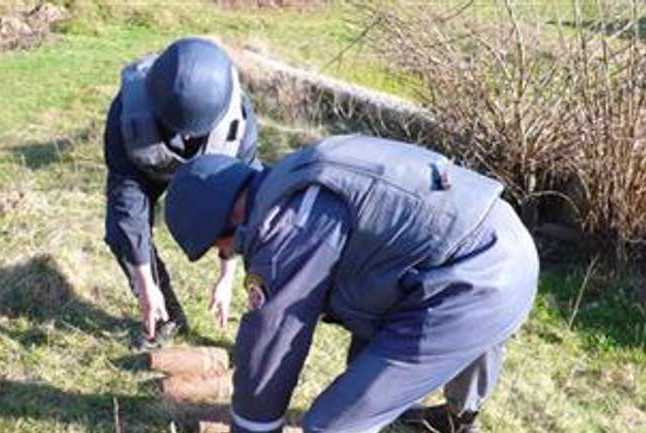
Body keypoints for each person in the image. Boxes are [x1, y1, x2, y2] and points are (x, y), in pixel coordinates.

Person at [164, 135, 539, 433]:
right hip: (504, 242)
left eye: (218, 246)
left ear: (228, 217)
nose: (223, 255)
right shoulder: (299, 175)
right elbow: (378, 260)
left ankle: (456, 420)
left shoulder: (289, 222)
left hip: (474, 279)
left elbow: (273, 339)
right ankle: (459, 419)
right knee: (364, 377)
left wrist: (252, 426)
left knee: (332, 424)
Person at [103, 37, 261, 351]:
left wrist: (227, 277)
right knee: (119, 234)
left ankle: (260, 333)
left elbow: (242, 210)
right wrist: (146, 286)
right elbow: (128, 207)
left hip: (213, 166)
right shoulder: (127, 114)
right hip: (147, 162)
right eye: (180, 128)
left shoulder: (238, 121)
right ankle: (166, 316)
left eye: (194, 130)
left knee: (257, 221)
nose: (187, 135)